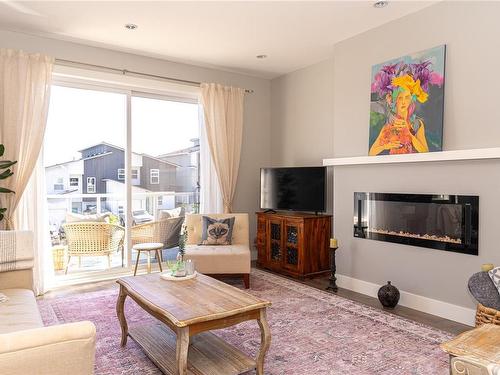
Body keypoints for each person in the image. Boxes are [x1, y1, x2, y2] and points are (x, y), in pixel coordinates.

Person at [369, 75, 429, 156]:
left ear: (411, 100)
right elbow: (371, 153)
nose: (404, 102)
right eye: (400, 98)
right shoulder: (389, 125)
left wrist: (409, 133)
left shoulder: (417, 124)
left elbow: (425, 151)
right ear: (395, 100)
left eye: (407, 97)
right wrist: (385, 146)